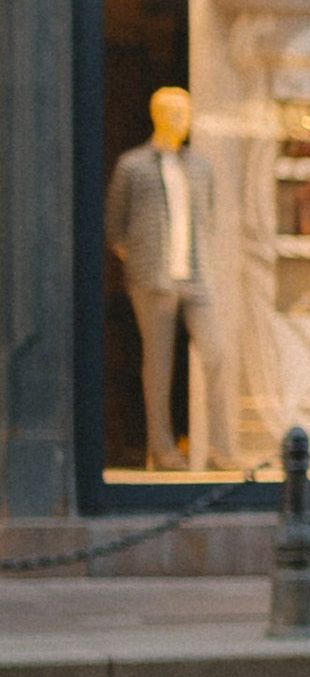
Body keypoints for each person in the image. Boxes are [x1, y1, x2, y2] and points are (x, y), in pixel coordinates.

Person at [105, 84, 228, 471]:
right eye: (175, 113)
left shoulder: (200, 167)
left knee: (217, 354)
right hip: (152, 277)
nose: (182, 120)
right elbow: (114, 226)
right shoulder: (133, 166)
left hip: (196, 275)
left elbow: (209, 217)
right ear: (157, 115)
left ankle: (219, 449)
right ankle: (161, 448)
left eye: (186, 113)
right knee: (158, 363)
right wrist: (137, 258)